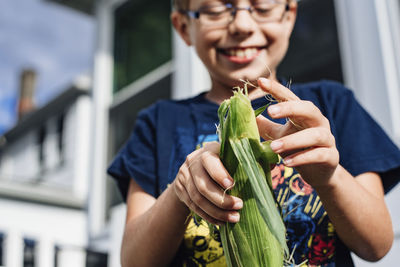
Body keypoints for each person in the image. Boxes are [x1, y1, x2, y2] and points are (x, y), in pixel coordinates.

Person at [107, 0, 400, 266]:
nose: (243, 26)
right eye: (215, 9)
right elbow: (134, 261)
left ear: (289, 15)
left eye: (262, 6)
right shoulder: (158, 123)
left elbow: (376, 245)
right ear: (184, 27)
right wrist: (180, 192)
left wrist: (330, 178)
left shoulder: (331, 104)